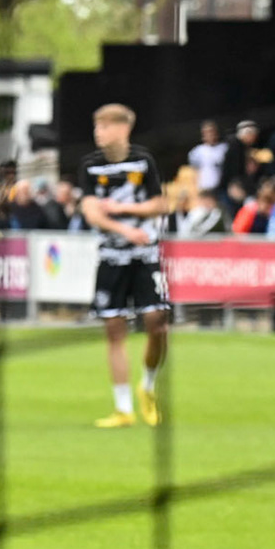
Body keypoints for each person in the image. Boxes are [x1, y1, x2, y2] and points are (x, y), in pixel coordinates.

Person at [78, 103, 170, 428]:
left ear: (123, 129)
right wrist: (124, 229)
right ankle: (123, 408)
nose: (98, 133)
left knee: (157, 323)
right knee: (114, 330)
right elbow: (91, 211)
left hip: (145, 256)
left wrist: (124, 209)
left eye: (104, 127)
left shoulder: (143, 161)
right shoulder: (90, 165)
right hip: (111, 258)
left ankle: (148, 385)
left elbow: (160, 203)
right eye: (97, 127)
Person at [187, 120, 227, 197]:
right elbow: (194, 171)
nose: (210, 135)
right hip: (205, 189)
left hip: (222, 189)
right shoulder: (197, 152)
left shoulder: (225, 149)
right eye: (206, 132)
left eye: (211, 131)